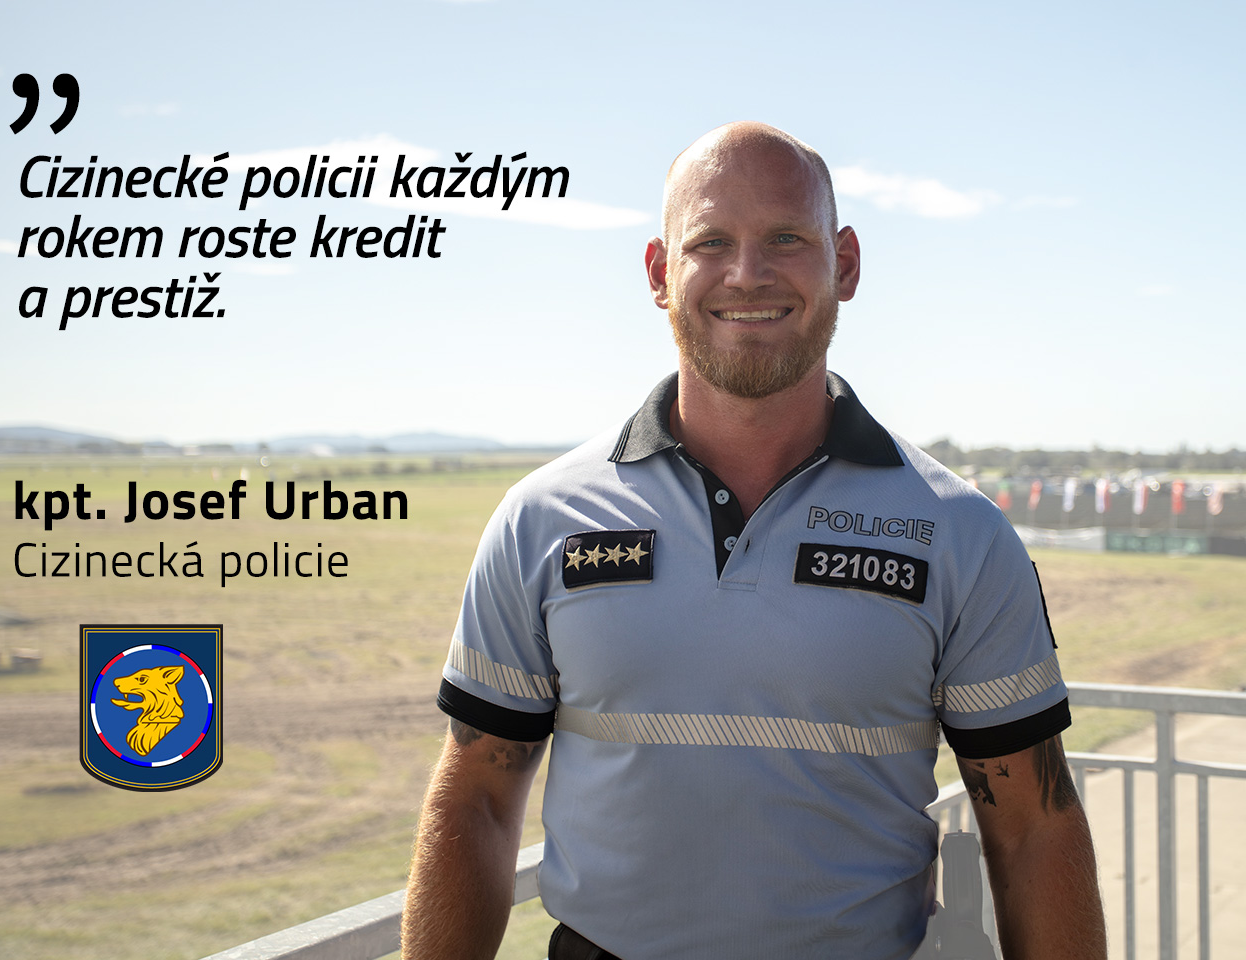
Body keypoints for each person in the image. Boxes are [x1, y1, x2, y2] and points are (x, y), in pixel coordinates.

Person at [400, 122, 1106, 960]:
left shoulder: (963, 533)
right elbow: (476, 801)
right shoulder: (541, 519)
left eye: (786, 238)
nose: (747, 273)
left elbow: (1033, 830)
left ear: (845, 263)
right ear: (660, 273)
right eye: (710, 242)